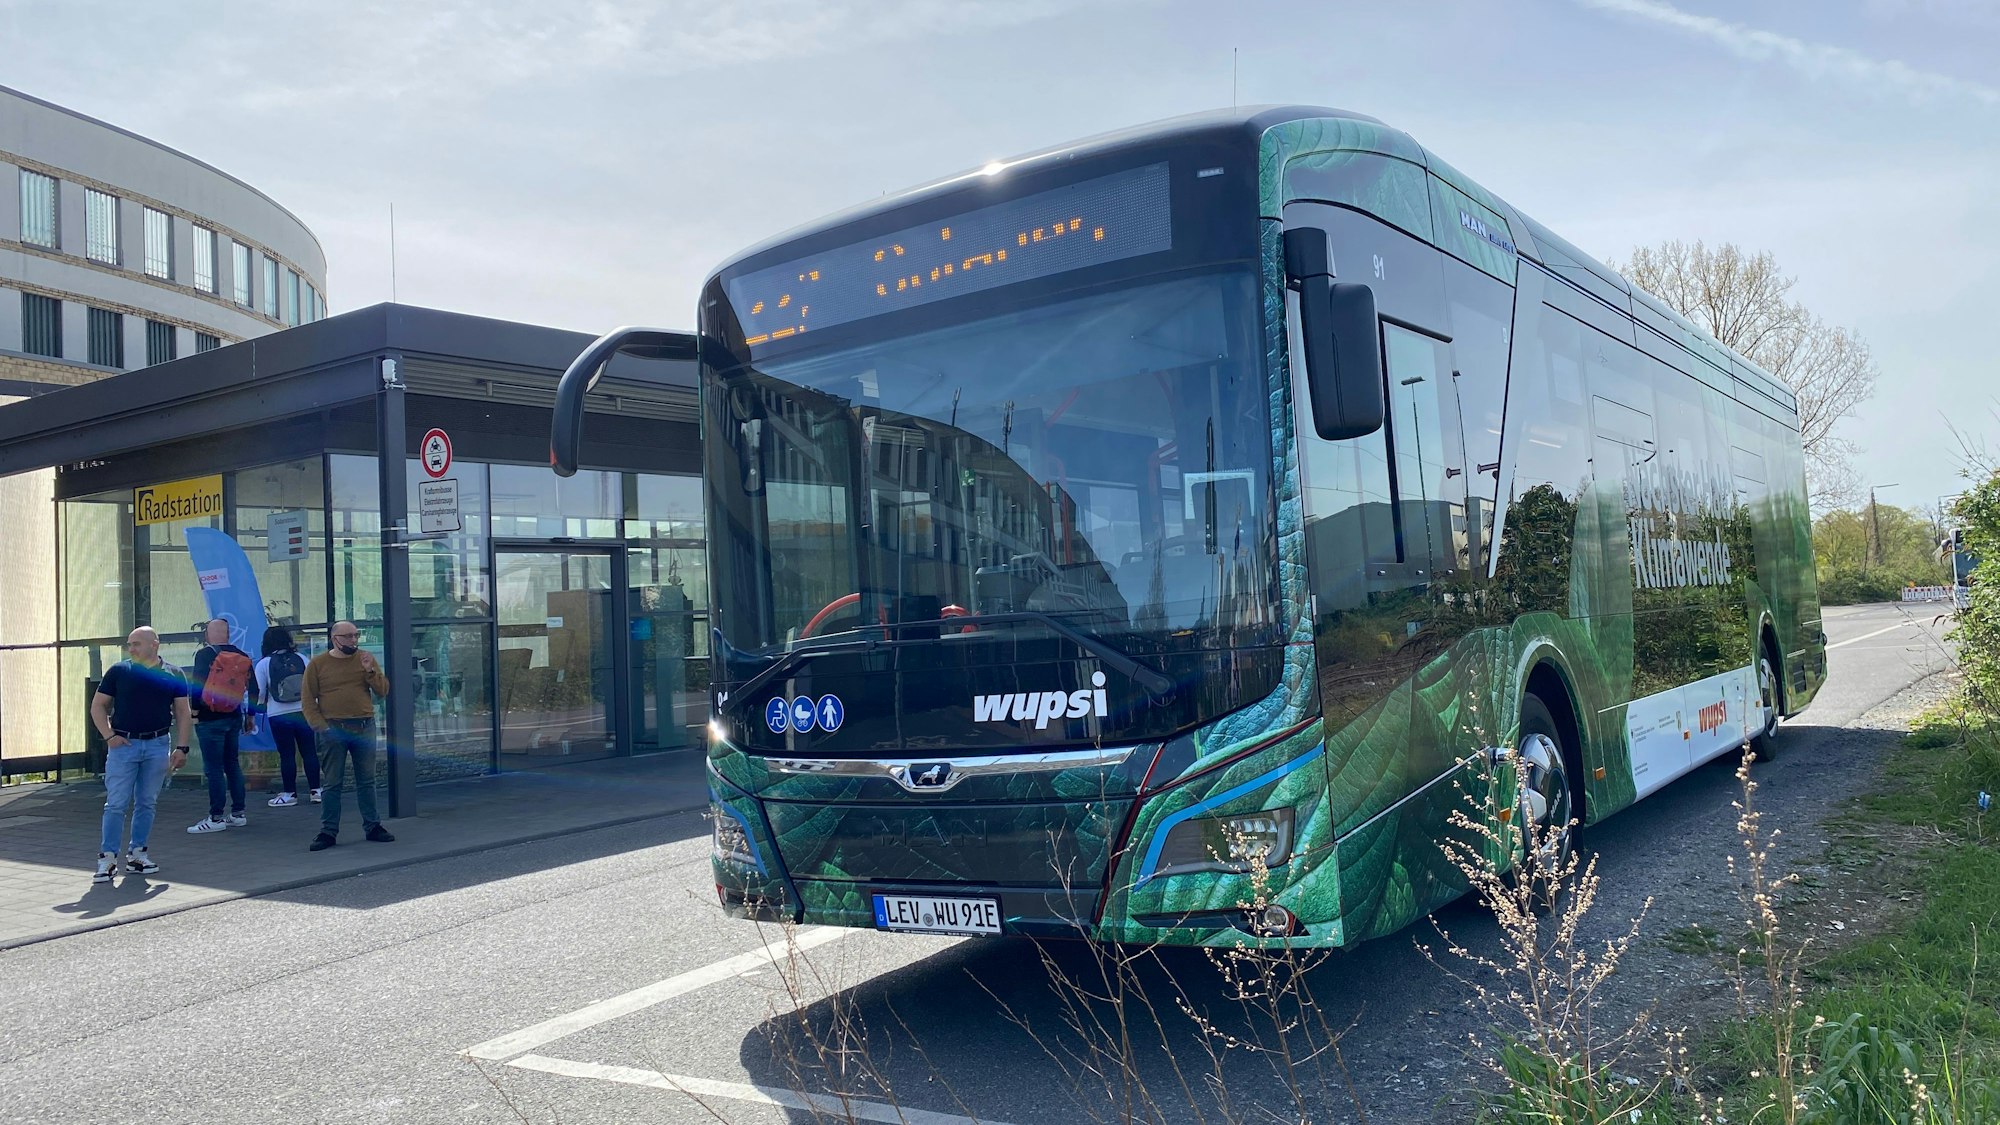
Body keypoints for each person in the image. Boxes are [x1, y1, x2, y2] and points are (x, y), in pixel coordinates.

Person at [87, 627, 193, 882]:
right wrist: (109, 736)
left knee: (147, 802)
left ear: (154, 644)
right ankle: (107, 859)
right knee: (116, 803)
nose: (131, 649)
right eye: (129, 644)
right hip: (123, 746)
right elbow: (98, 706)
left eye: (136, 644)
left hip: (158, 744)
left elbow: (183, 712)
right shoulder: (119, 671)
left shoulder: (173, 673)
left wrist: (182, 747)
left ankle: (137, 855)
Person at [303, 621, 395, 851]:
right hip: (334, 728)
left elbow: (383, 691)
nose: (353, 640)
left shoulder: (365, 659)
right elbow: (308, 699)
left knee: (367, 780)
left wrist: (370, 671)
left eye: (356, 635)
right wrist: (320, 726)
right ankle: (328, 831)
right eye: (348, 636)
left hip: (364, 726)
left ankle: (373, 826)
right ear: (335, 639)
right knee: (333, 782)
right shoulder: (318, 664)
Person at [187, 618, 254, 835]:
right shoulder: (242, 656)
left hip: (209, 719)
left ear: (207, 635)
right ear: (228, 634)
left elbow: (197, 685)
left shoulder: (204, 654)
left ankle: (215, 817)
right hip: (233, 717)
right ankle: (238, 814)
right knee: (232, 764)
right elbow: (254, 689)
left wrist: (194, 712)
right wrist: (250, 716)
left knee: (214, 768)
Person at [254, 624, 320, 807]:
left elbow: (259, 692)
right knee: (309, 752)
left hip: (278, 714)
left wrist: (260, 707)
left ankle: (290, 794)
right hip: (303, 711)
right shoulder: (301, 658)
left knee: (287, 755)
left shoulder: (264, 663)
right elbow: (313, 685)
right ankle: (316, 791)